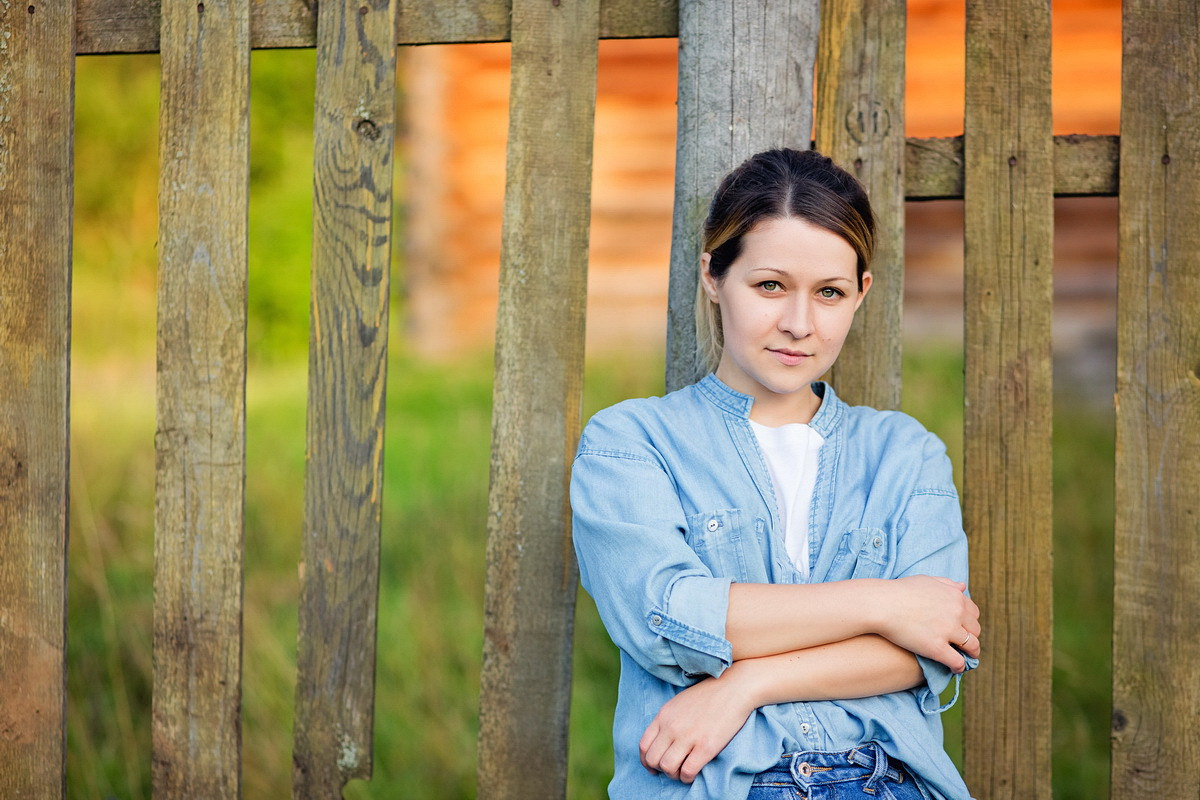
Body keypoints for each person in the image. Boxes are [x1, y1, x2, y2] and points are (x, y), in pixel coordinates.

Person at [570, 147, 980, 800]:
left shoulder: (905, 454)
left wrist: (746, 684)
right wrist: (885, 602)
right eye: (769, 286)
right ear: (713, 276)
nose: (799, 324)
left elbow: (935, 645)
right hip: (726, 784)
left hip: (892, 782)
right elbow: (668, 620)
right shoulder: (631, 443)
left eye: (829, 293)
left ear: (861, 293)